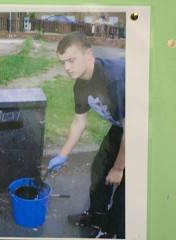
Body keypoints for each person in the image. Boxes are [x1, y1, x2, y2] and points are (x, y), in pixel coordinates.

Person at [47, 32, 125, 238]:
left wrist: (118, 167)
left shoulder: (113, 79)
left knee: (126, 190)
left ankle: (112, 231)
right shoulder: (80, 85)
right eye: (63, 62)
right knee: (100, 170)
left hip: (150, 130)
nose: (66, 68)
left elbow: (134, 129)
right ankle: (97, 217)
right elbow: (79, 121)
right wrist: (63, 155)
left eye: (71, 60)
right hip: (123, 127)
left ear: (88, 54)